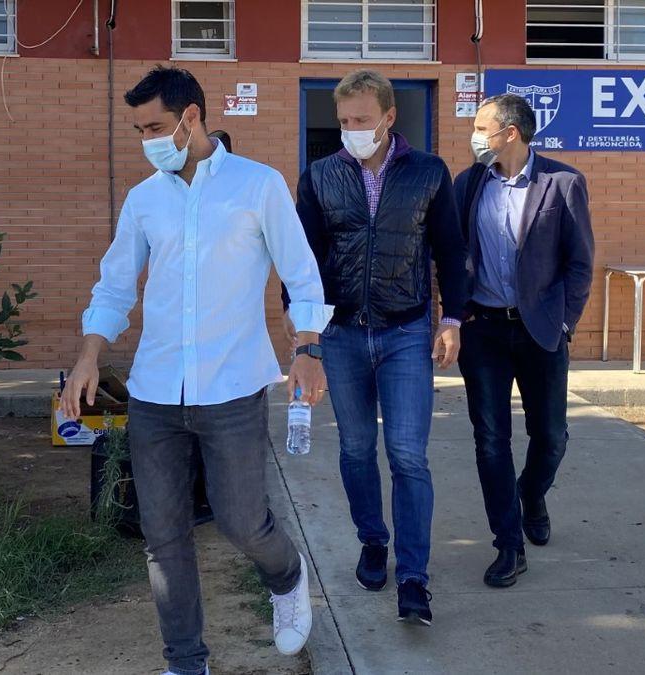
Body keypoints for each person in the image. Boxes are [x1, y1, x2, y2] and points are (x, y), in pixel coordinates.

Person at [60, 66, 332, 675]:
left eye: (155, 126)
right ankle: (186, 662)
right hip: (156, 392)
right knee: (163, 536)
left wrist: (308, 349)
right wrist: (88, 354)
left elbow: (301, 275)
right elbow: (114, 285)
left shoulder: (257, 186)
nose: (147, 140)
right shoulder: (144, 198)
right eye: (138, 130)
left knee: (242, 523)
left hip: (232, 389)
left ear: (191, 118)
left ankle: (286, 575)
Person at [282, 69, 468, 626]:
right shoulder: (319, 176)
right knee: (357, 450)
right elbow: (301, 263)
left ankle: (413, 576)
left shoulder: (429, 172)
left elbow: (451, 253)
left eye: (361, 120)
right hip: (338, 336)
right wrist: (305, 342)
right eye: (343, 121)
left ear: (389, 118)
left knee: (408, 454)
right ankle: (372, 541)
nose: (351, 130)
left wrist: (451, 318)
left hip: (406, 331)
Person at [453, 94, 595, 588]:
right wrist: (456, 314)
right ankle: (508, 544)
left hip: (540, 330)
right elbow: (451, 255)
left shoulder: (563, 182)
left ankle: (532, 494)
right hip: (484, 330)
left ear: (509, 132)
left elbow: (580, 263)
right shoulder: (468, 183)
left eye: (480, 127)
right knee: (491, 440)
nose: (474, 136)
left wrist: (563, 323)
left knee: (551, 435)